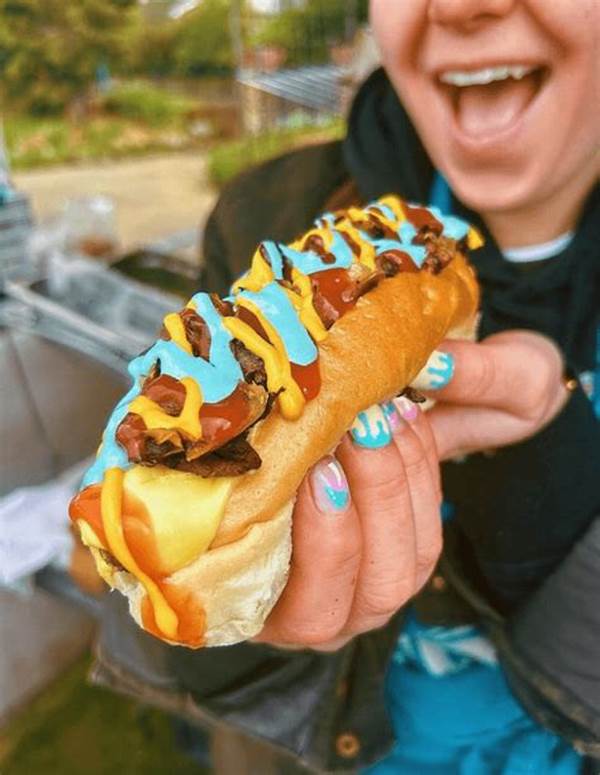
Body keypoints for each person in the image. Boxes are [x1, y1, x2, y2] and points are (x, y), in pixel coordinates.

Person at [93, 0, 600, 772]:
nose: (467, 6)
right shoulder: (270, 211)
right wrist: (248, 628)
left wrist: (549, 470)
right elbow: (175, 621)